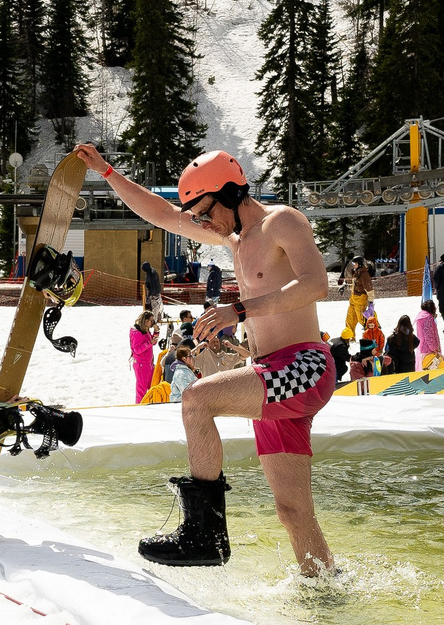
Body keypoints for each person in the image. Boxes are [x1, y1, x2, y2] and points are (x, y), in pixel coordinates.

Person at [78, 143, 336, 573]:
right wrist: (106, 172)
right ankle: (325, 585)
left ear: (230, 193)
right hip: (270, 374)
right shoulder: (234, 238)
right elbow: (162, 213)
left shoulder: (283, 222)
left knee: (196, 400)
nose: (202, 223)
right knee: (292, 511)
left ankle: (204, 534)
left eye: (204, 212)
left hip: (304, 366)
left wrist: (240, 310)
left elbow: (316, 284)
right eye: (197, 218)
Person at [130, 314, 157, 402]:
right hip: (141, 364)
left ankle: (150, 402)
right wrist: (149, 343)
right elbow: (137, 349)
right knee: (141, 389)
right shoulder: (137, 332)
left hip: (148, 363)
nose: (152, 323)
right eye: (151, 320)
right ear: (145, 321)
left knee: (152, 385)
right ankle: (140, 406)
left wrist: (156, 332)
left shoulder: (145, 330)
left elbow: (153, 342)